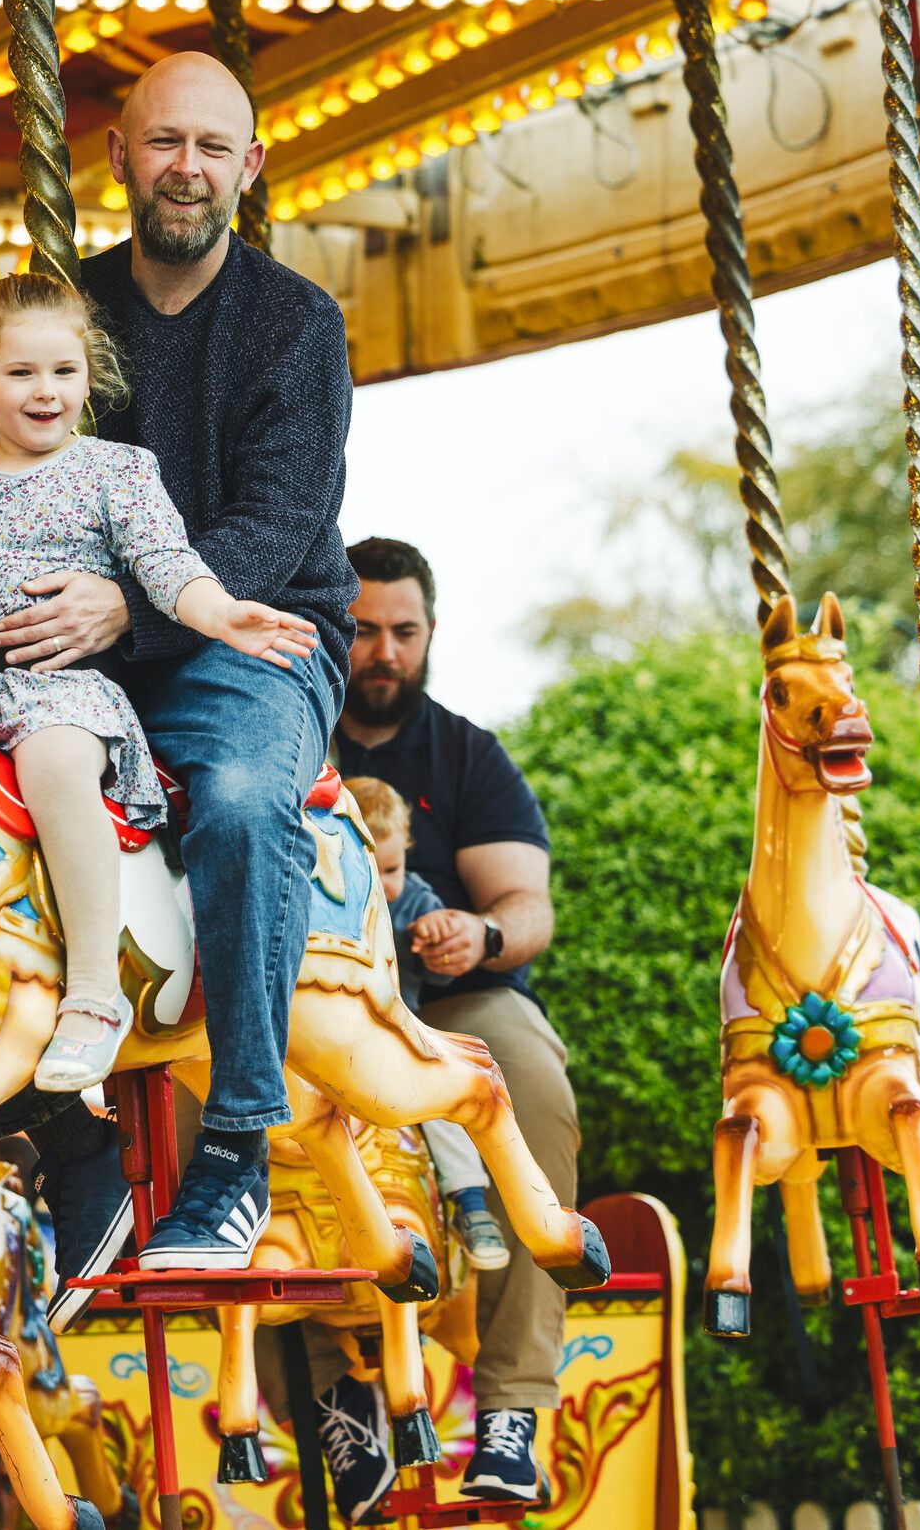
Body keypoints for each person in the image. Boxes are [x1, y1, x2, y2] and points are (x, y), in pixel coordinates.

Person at [0, 50, 356, 1298]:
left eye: (211, 147)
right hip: (76, 653)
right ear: (117, 155)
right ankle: (67, 1135)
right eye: (163, 142)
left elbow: (280, 521)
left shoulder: (296, 325)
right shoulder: (66, 321)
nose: (186, 169)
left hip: (255, 636)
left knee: (235, 797)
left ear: (250, 166)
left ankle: (235, 1139)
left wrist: (128, 604)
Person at [0, 272, 321, 1099]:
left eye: (63, 371)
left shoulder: (117, 470)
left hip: (60, 690)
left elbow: (167, 564)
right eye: (19, 372)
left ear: (89, 376)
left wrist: (222, 612)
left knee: (56, 765)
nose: (44, 391)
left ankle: (92, 993)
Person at [333, 537, 576, 1504]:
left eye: (403, 631)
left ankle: (513, 1404)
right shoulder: (283, 732)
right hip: (320, 998)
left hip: (449, 997)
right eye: (360, 630)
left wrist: (477, 934)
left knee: (528, 1070)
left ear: (430, 635)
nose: (382, 650)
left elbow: (527, 904)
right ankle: (331, 1399)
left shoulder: (465, 753)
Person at [348, 774, 510, 1273]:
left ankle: (470, 1201)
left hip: (396, 1029)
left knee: (442, 1094)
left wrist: (434, 934)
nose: (381, 883)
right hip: (333, 1035)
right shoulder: (324, 897)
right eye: (365, 869)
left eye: (392, 868)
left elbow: (436, 943)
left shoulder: (414, 900)